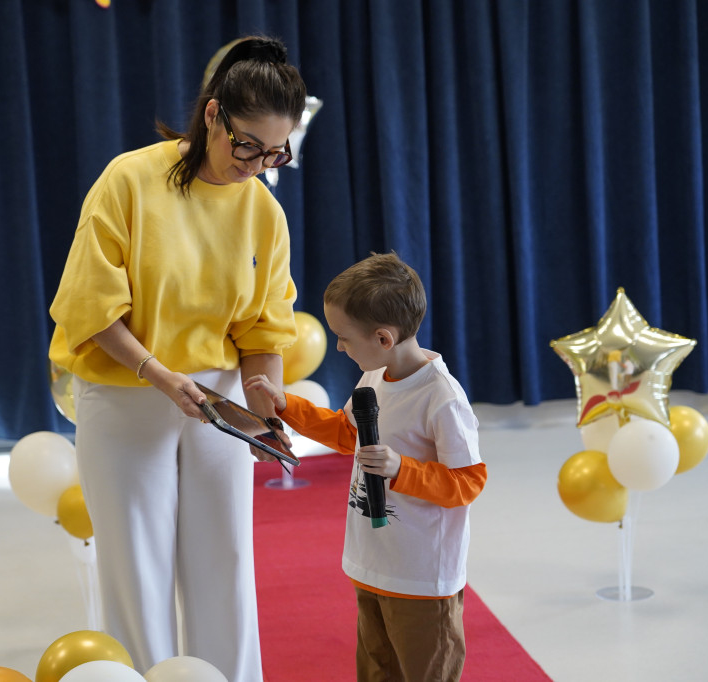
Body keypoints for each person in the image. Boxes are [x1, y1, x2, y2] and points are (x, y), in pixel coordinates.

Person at [47, 36, 307, 681]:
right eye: (247, 144)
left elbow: (264, 330)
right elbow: (91, 305)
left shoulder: (265, 212)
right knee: (136, 570)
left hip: (216, 400)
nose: (257, 163)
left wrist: (262, 407)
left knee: (227, 563)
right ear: (213, 114)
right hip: (130, 388)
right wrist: (159, 375)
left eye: (276, 151)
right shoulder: (130, 179)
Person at [245, 252, 487, 682]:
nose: (338, 346)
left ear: (383, 339)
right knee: (376, 669)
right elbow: (346, 433)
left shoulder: (442, 397)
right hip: (373, 564)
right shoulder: (373, 376)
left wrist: (400, 468)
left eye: (344, 337)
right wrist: (288, 405)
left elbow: (467, 483)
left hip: (420, 577)